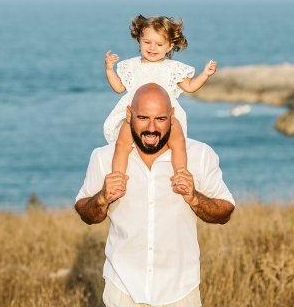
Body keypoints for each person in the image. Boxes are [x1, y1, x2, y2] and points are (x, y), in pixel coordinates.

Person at [75, 83, 235, 307]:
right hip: (122, 290)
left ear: (172, 115)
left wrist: (194, 198)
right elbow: (85, 212)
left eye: (160, 119)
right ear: (129, 114)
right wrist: (102, 198)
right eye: (143, 118)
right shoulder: (104, 158)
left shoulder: (200, 155)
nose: (151, 128)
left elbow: (225, 212)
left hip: (180, 292)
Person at [104, 15, 217, 189]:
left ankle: (181, 176)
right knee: (122, 143)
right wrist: (109, 70)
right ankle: (117, 178)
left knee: (178, 141)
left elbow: (190, 86)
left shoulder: (172, 68)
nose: (152, 48)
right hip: (136, 113)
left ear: (170, 45)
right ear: (139, 40)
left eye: (159, 44)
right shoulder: (132, 66)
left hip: (166, 114)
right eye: (147, 42)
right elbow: (119, 87)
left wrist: (205, 74)